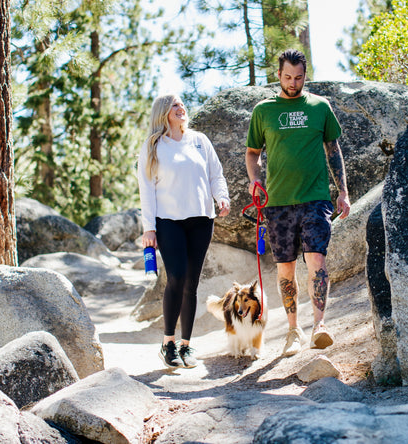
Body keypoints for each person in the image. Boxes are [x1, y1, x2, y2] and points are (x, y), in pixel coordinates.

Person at [245, 49, 351, 357]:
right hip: (277, 203)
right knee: (285, 269)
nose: (293, 83)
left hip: (315, 199)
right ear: (278, 75)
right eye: (288, 77)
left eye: (299, 77)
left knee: (316, 259)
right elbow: (253, 152)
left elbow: (333, 149)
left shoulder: (320, 107)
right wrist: (255, 179)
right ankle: (293, 330)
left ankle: (319, 325)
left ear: (306, 75)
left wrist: (342, 192)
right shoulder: (263, 111)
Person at [138, 94, 230, 369]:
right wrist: (149, 229)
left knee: (192, 283)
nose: (181, 108)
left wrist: (221, 196)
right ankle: (168, 343)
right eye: (174, 106)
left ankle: (186, 345)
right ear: (163, 113)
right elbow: (146, 187)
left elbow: (216, 174)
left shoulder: (200, 140)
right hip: (168, 221)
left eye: (182, 104)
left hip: (202, 219)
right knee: (176, 277)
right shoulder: (153, 145)